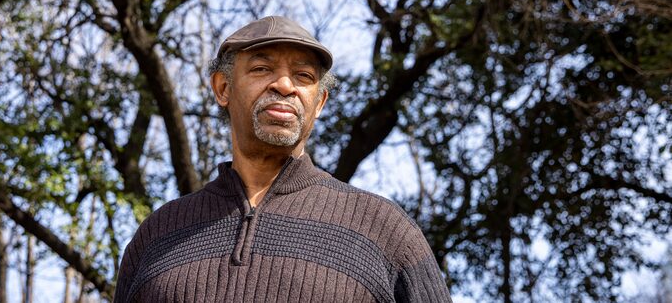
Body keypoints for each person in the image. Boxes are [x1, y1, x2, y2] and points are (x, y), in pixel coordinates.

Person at [112, 16, 453, 302]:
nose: (285, 85)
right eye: (262, 68)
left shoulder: (384, 230)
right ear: (222, 88)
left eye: (304, 76)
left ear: (319, 103)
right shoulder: (157, 234)